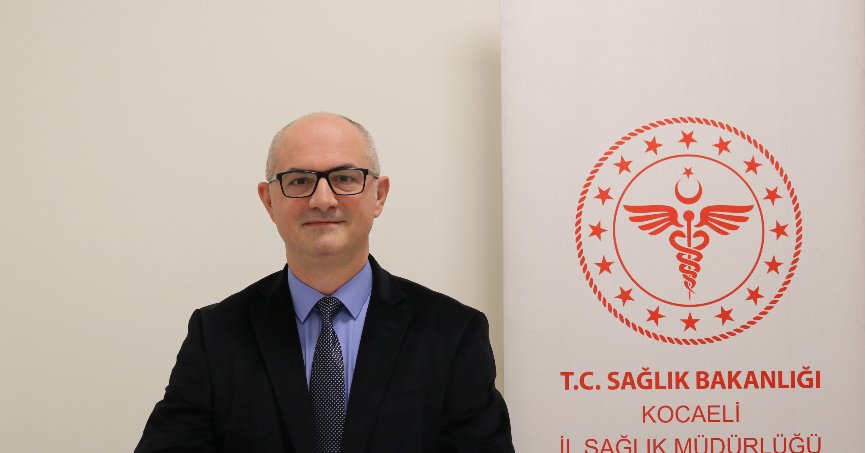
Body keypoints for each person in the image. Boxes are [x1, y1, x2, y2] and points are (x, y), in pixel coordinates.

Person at [135, 112, 514, 452]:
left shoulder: (452, 333)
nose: (322, 199)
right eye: (299, 180)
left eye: (345, 178)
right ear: (269, 201)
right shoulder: (217, 334)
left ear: (379, 195)